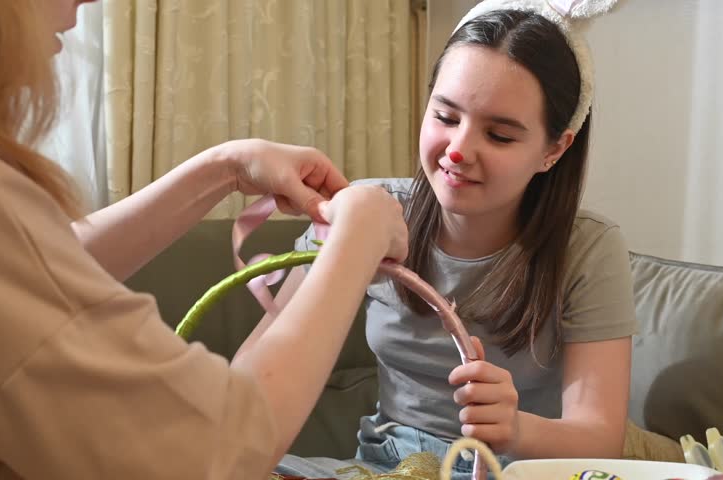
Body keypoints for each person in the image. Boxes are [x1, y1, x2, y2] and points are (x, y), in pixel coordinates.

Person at [0, 1, 408, 479]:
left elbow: (26, 276)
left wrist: (226, 168)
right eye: (446, 116)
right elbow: (214, 449)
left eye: (491, 132)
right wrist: (354, 242)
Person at [265, 1, 637, 479]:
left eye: (500, 135)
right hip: (383, 466)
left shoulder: (588, 250)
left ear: (553, 149)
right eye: (445, 115)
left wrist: (515, 428)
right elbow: (267, 374)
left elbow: (600, 437)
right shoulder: (367, 212)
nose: (459, 149)